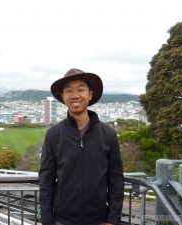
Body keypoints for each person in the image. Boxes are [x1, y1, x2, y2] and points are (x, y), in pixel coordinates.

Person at [39, 68, 124, 225]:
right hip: (62, 219)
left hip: (99, 219)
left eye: (80, 89)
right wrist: (47, 221)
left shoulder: (108, 134)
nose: (75, 95)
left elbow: (116, 180)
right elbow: (46, 181)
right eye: (68, 91)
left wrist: (112, 220)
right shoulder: (53, 134)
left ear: (90, 94)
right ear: (63, 97)